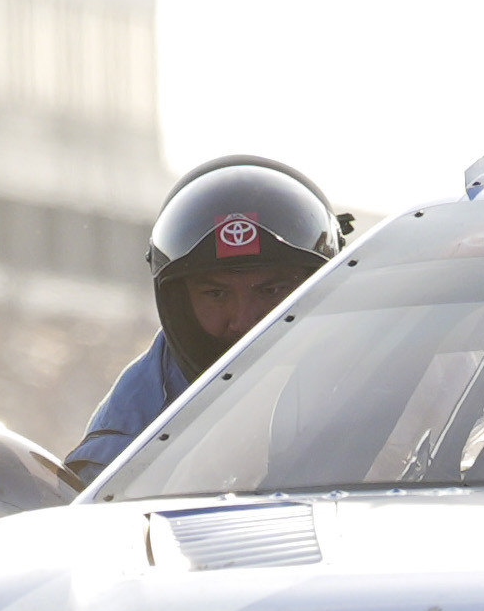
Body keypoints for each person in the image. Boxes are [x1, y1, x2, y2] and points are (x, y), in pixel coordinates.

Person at [61, 156, 342, 479]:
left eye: (271, 291)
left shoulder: (382, 362)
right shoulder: (124, 447)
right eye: (217, 295)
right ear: (180, 302)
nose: (245, 320)